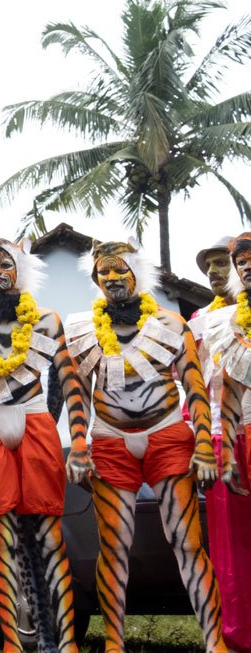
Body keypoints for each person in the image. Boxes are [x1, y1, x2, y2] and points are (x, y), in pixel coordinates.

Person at [65, 239, 224, 650]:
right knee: (113, 548)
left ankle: (214, 642)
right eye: (105, 272)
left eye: (121, 270)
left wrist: (204, 445)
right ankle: (114, 643)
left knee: (187, 544)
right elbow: (78, 393)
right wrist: (79, 447)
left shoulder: (171, 324)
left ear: (137, 273)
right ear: (96, 278)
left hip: (167, 434)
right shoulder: (82, 329)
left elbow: (196, 387)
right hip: (111, 440)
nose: (113, 278)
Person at [0, 239, 89, 653]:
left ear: (21, 269)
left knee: (48, 536)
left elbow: (70, 383)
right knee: (1, 538)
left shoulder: (46, 320)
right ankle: (11, 644)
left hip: (34, 422)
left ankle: (65, 643)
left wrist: (80, 443)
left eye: (4, 265)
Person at [196, 235, 251, 650]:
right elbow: (196, 386)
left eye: (222, 264)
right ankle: (236, 638)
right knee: (231, 549)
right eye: (209, 266)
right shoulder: (202, 319)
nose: (216, 272)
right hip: (221, 438)